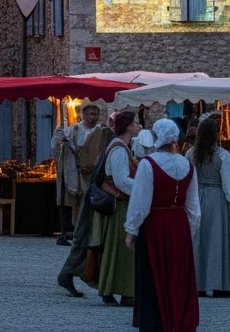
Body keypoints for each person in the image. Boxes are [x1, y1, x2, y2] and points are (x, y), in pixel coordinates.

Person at [124, 117, 200, 332]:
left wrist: (131, 230)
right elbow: (194, 207)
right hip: (180, 224)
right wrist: (188, 232)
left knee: (153, 274)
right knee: (178, 275)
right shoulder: (188, 164)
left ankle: (155, 322)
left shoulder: (149, 164)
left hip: (155, 224)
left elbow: (141, 202)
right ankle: (179, 318)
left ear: (157, 137)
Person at [186, 117, 230, 297]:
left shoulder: (190, 154)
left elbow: (187, 178)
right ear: (216, 134)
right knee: (219, 240)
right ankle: (221, 283)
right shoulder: (222, 155)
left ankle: (199, 284)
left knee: (199, 240)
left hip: (197, 196)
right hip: (217, 198)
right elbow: (229, 182)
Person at [88, 110, 141, 306]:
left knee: (117, 249)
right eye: (135, 122)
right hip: (120, 205)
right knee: (122, 249)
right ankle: (124, 292)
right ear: (127, 126)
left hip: (122, 203)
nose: (138, 125)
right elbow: (120, 181)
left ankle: (113, 290)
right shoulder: (119, 149)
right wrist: (143, 186)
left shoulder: (123, 147)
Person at [53, 101, 109, 243]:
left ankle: (92, 231)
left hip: (94, 172)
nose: (94, 117)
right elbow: (57, 146)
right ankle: (77, 230)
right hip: (77, 172)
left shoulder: (101, 131)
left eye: (96, 114)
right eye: (91, 114)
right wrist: (59, 139)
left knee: (91, 201)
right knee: (77, 202)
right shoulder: (73, 130)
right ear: (83, 114)